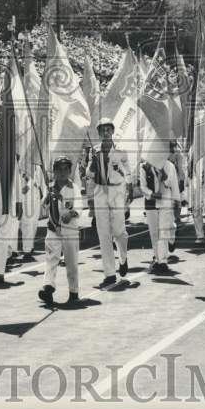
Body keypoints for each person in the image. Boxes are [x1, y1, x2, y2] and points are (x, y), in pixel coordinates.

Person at [85, 117, 130, 285]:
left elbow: (128, 172)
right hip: (100, 192)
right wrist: (92, 165)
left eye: (108, 129)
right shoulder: (94, 151)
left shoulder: (121, 150)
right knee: (104, 233)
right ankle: (109, 273)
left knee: (119, 232)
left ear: (112, 131)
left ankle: (123, 258)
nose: (105, 132)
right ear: (98, 133)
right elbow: (89, 174)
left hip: (117, 191)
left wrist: (128, 187)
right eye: (102, 129)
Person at [38, 157, 80, 306]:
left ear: (69, 171)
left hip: (69, 230)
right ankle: (48, 288)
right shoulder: (50, 187)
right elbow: (43, 206)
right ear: (54, 172)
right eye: (59, 169)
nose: (62, 172)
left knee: (71, 263)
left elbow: (79, 207)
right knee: (51, 259)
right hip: (53, 229)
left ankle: (74, 292)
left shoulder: (73, 188)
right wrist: (47, 197)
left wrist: (70, 213)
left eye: (65, 169)